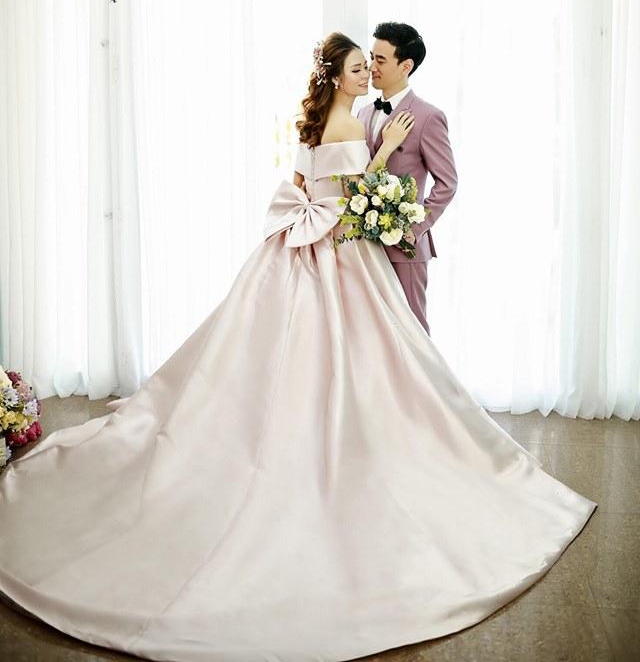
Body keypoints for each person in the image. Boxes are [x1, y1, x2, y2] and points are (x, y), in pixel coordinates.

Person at [0, 33, 597, 662]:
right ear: (338, 76)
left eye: (372, 64)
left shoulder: (318, 120)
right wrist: (382, 154)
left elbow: (303, 181)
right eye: (359, 67)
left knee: (284, 354)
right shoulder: (355, 121)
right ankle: (366, 438)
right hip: (339, 251)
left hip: (300, 245)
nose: (367, 73)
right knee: (366, 352)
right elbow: (352, 196)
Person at [358, 22, 457, 335]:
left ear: (405, 66)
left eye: (380, 60)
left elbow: (448, 183)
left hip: (405, 249)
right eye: (371, 57)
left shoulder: (428, 117)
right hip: (365, 248)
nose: (371, 67)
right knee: (373, 334)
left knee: (412, 333)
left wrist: (413, 228)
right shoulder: (363, 113)